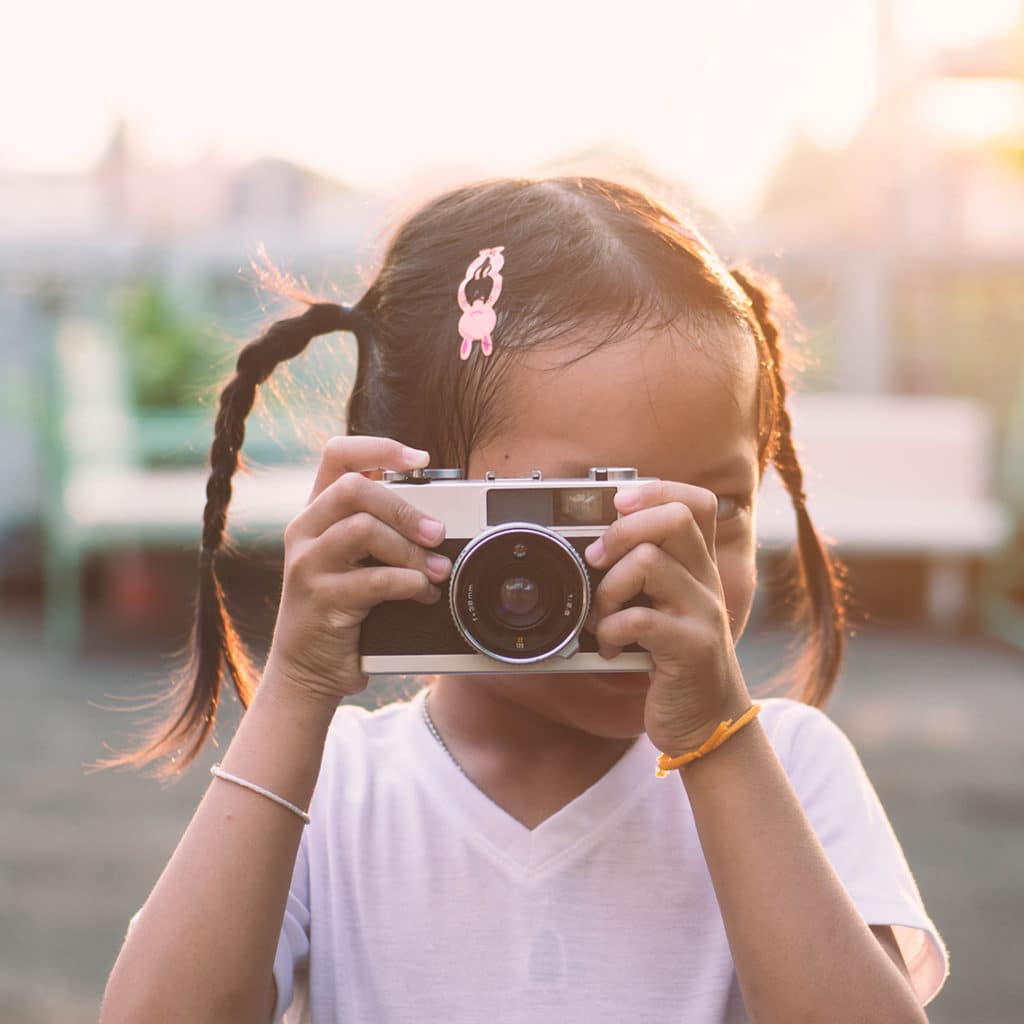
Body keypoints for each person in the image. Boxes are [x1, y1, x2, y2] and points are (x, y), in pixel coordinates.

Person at [98, 176, 948, 1023]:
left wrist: (719, 746)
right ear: (404, 502)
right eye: (574, 516)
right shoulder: (331, 788)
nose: (651, 567)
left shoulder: (789, 770)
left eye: (712, 511)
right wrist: (293, 693)